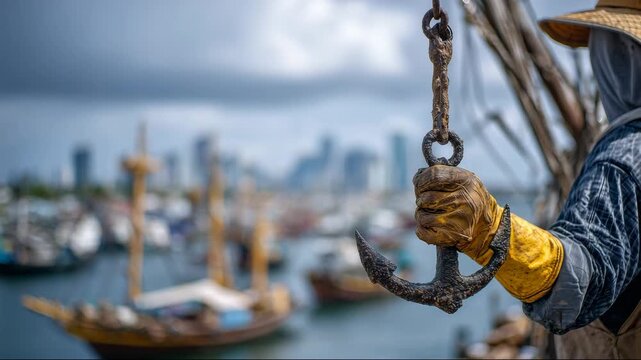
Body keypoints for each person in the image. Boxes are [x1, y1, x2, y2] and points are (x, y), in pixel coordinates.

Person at [413, 1, 641, 358]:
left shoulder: (624, 156)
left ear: (624, 53)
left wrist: (488, 229)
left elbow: (579, 282)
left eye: (604, 43)